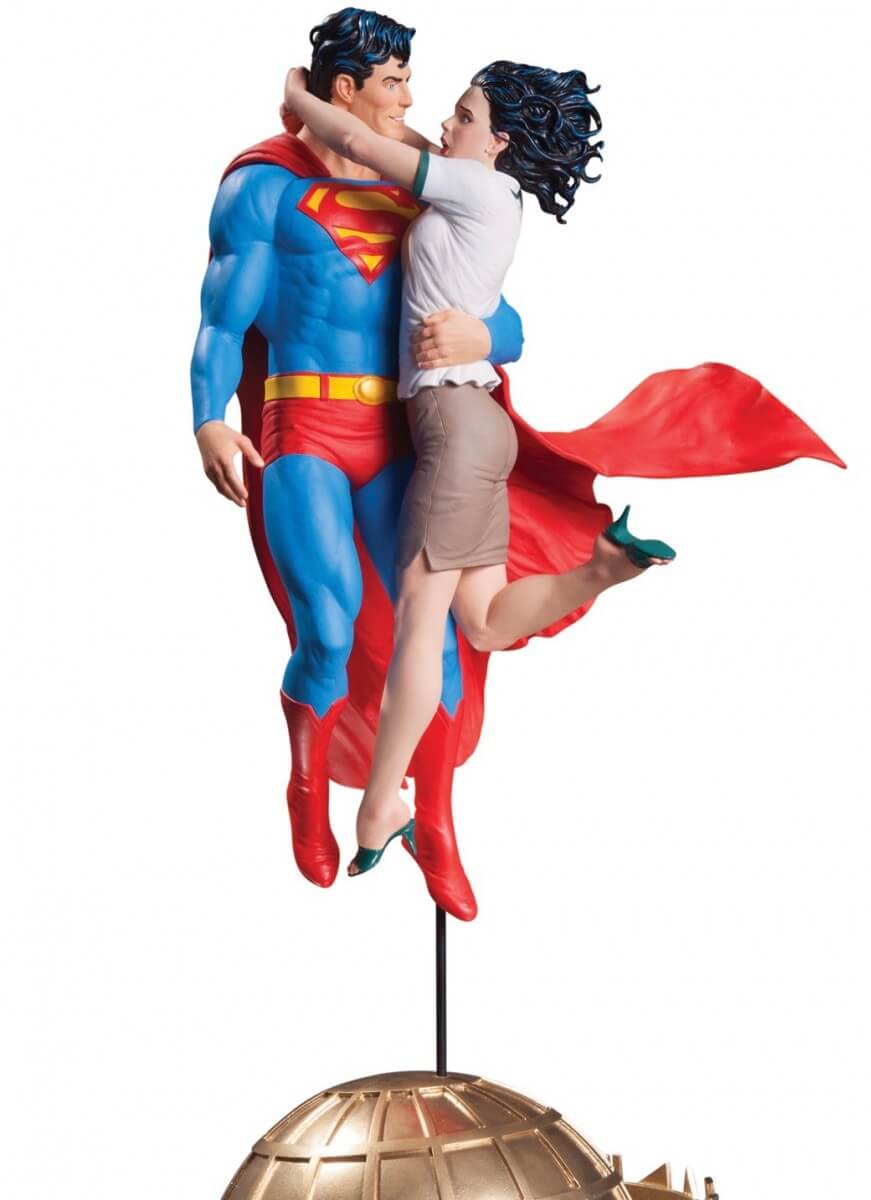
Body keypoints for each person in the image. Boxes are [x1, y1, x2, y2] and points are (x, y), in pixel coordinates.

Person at [281, 60, 678, 877]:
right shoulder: (492, 194)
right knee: (485, 621)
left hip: (454, 427)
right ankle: (602, 567)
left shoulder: (472, 189)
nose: (444, 122)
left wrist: (298, 96)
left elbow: (365, 141)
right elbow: (404, 141)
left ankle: (380, 805)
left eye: (464, 114)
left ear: (497, 141)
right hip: (476, 424)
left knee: (420, 629)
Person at [191, 8, 526, 921]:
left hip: (404, 439)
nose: (412, 99)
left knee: (441, 640)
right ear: (347, 89)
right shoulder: (264, 188)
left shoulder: (428, 187)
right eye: (394, 83)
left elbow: (505, 315)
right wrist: (208, 418)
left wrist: (485, 334)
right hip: (304, 429)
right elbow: (221, 321)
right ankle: (307, 783)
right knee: (329, 629)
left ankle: (436, 822)